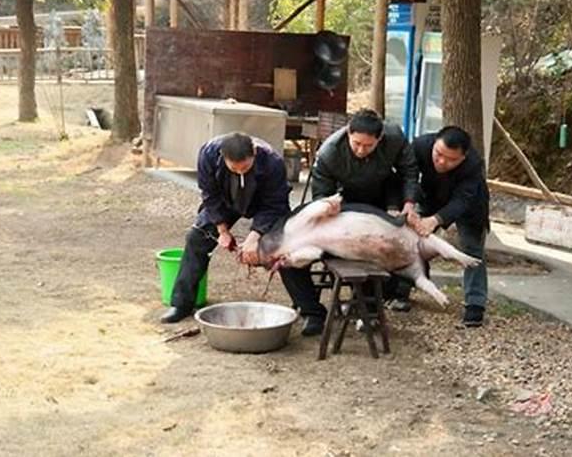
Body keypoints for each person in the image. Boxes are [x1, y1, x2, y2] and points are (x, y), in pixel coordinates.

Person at [285, 108, 420, 335]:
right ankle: (312, 311)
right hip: (341, 208)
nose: (360, 150)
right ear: (348, 132)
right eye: (356, 143)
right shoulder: (329, 153)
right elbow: (320, 194)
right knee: (289, 258)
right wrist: (328, 208)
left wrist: (408, 202)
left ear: (380, 139)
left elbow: (409, 171)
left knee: (380, 249)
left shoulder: (395, 137)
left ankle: (367, 306)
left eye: (368, 146)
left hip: (379, 202)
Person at [160, 132, 309, 324]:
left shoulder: (273, 162)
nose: (240, 172)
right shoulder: (208, 154)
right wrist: (222, 230)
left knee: (283, 245)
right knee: (196, 238)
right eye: (234, 168)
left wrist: (255, 236)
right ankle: (181, 304)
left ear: (254, 153)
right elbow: (209, 195)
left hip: (264, 205)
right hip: (225, 201)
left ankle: (310, 311)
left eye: (246, 167)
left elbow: (275, 204)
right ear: (223, 156)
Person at [410, 126, 490, 327]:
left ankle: (475, 304)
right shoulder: (419, 146)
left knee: (472, 250)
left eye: (451, 159)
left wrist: (435, 220)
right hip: (430, 196)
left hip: (470, 205)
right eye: (438, 154)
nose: (442, 162)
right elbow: (408, 177)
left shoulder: (474, 164)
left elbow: (462, 200)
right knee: (412, 241)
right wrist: (408, 203)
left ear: (463, 157)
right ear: (434, 143)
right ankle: (402, 289)